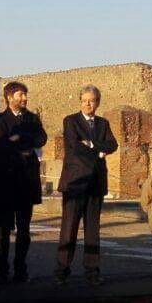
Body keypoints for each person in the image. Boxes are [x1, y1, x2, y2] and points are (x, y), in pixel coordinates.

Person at [55, 86, 119, 285]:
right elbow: (74, 147)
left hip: (96, 184)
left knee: (93, 231)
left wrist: (92, 145)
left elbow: (113, 145)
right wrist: (99, 151)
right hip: (75, 183)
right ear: (80, 101)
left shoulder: (103, 123)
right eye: (84, 100)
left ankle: (92, 272)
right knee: (69, 229)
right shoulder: (71, 121)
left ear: (98, 102)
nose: (87, 104)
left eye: (91, 100)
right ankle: (61, 271)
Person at [0, 80, 47, 284]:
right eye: (20, 95)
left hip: (26, 181)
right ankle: (1, 269)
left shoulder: (32, 118)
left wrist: (19, 138)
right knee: (3, 229)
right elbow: (1, 143)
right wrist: (22, 140)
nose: (24, 98)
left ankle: (20, 268)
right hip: (5, 181)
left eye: (25, 94)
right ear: (9, 97)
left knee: (24, 229)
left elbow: (41, 139)